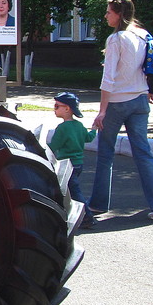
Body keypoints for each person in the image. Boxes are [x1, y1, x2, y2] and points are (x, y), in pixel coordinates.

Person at [86, 0, 153, 221]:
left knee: (105, 154)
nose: (106, 16)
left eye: (109, 12)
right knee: (144, 153)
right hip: (140, 100)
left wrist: (102, 111)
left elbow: (109, 78)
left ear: (119, 14)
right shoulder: (142, 34)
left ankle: (98, 204)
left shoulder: (116, 39)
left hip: (117, 102)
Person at [47, 91, 97, 228]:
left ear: (67, 109)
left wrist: (40, 150)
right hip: (78, 164)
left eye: (57, 106)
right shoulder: (79, 126)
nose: (54, 109)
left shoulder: (62, 128)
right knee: (69, 191)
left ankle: (87, 218)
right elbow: (89, 138)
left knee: (74, 193)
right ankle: (68, 215)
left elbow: (53, 146)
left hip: (67, 165)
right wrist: (94, 129)